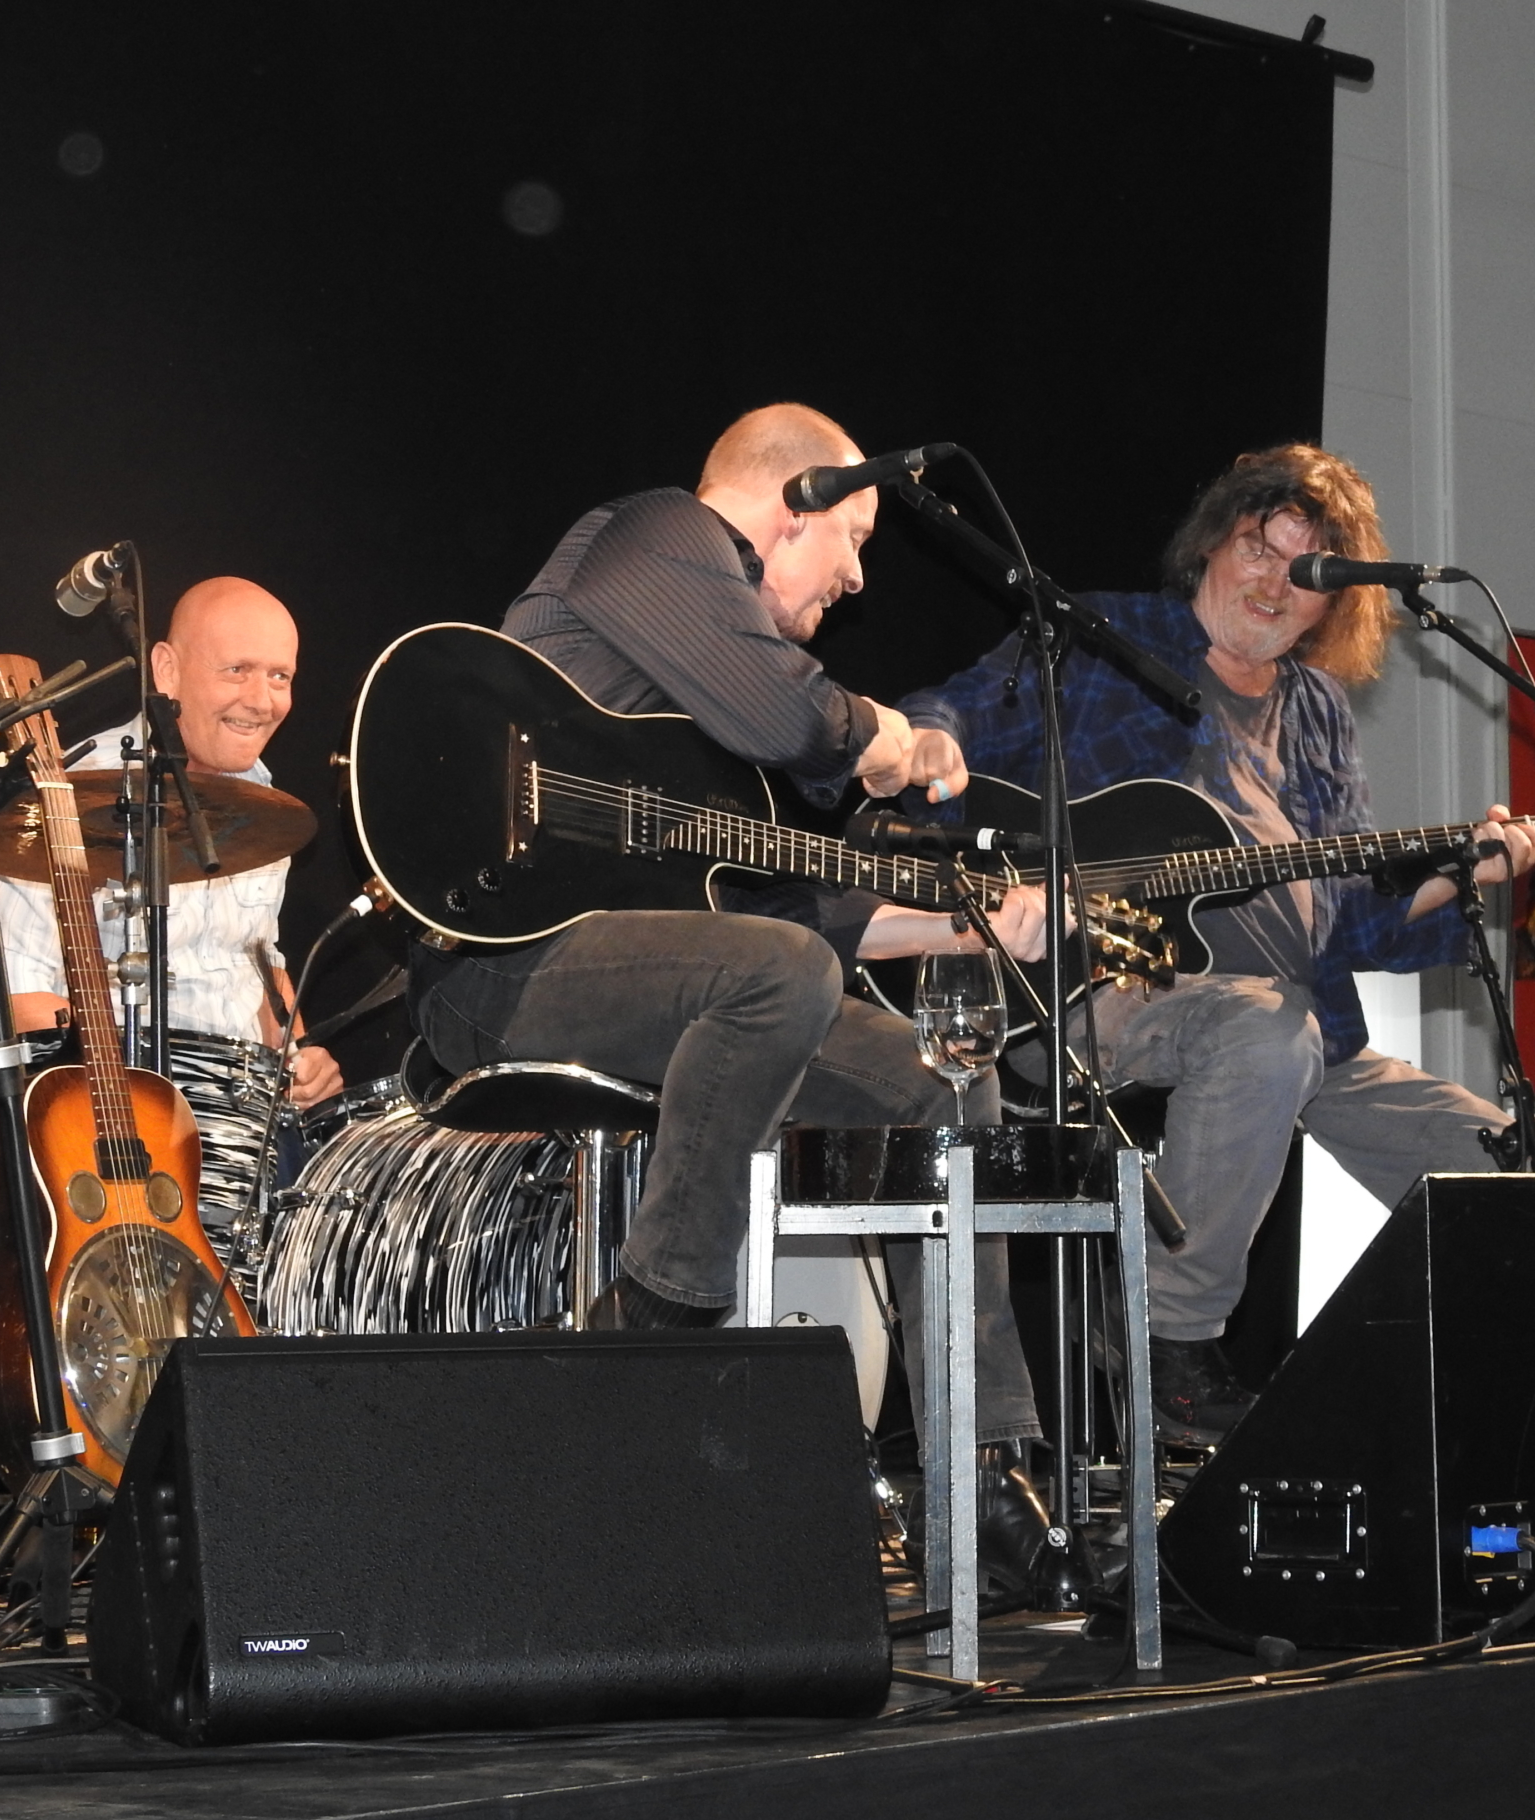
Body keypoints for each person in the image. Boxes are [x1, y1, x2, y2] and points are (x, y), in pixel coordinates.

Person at [404, 404, 1051, 1579]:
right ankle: (660, 1311)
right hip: (503, 971)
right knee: (783, 973)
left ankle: (978, 1470)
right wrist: (893, 738)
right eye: (851, 536)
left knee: (943, 1092)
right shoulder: (654, 536)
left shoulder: (703, 720)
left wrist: (965, 920)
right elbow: (787, 714)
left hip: (669, 977)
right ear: (790, 501)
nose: (857, 577)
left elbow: (775, 912)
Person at [901, 444, 1535, 1444]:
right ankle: (1168, 1341)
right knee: (1264, 1031)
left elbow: (1345, 925)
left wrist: (1469, 870)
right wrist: (930, 746)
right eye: (1259, 547)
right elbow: (947, 714)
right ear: (1212, 545)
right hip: (1076, 994)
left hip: (1284, 1018)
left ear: (1335, 602)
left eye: (1307, 570)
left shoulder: (1318, 716)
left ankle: (1490, 1418)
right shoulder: (1106, 640)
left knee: (1510, 1179)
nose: (1275, 583)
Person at [0, 577, 344, 1218]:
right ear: (166, 669)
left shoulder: (266, 806)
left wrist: (302, 1054)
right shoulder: (68, 792)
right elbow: (7, 1000)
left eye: (280, 676)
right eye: (238, 670)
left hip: (244, 1126)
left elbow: (258, 965)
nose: (263, 699)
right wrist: (127, 1070)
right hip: (102, 1127)